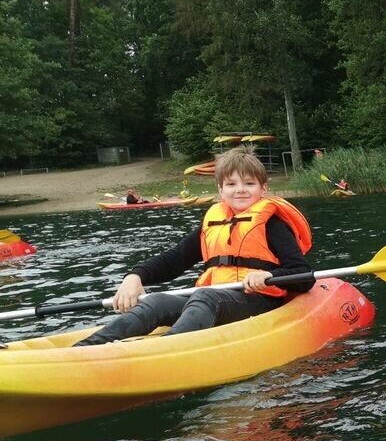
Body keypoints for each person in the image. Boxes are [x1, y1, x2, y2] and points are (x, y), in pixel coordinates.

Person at [76, 146, 315, 346]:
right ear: (221, 190)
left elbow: (303, 276)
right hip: (215, 301)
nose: (240, 189)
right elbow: (174, 260)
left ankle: (165, 351)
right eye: (231, 184)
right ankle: (86, 349)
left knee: (204, 295)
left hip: (259, 300)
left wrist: (269, 275)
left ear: (263, 188)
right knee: (156, 301)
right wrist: (135, 276)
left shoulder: (272, 225)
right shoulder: (212, 223)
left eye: (249, 183)